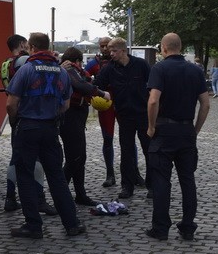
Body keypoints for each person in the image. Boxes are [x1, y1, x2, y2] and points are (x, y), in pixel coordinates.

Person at [5, 33, 85, 238]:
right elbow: (66, 104)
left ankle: (33, 225)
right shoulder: (61, 71)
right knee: (56, 176)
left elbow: (11, 103)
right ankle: (71, 223)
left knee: (25, 176)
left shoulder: (26, 70)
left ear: (31, 47)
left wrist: (16, 122)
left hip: (28, 128)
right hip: (50, 129)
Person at [144, 33, 211, 241]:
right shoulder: (195, 70)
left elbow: (153, 101)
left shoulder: (159, 68)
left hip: (164, 131)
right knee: (187, 180)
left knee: (161, 181)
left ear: (164, 48)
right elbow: (206, 104)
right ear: (180, 47)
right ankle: (188, 226)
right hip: (186, 132)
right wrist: (196, 129)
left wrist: (151, 126)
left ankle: (161, 228)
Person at [0, 34, 55, 215]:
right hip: (31, 115)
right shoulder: (25, 61)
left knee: (16, 157)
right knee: (37, 158)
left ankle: (10, 198)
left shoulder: (5, 63)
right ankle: (39, 199)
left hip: (15, 115)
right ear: (23, 44)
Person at [95, 37, 152, 200]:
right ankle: (127, 186)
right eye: (109, 51)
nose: (110, 53)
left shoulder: (140, 65)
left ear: (124, 51)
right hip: (124, 115)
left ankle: (152, 185)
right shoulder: (109, 68)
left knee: (149, 151)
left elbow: (153, 85)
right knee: (127, 153)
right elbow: (97, 85)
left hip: (143, 114)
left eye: (114, 51)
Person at [59, 47, 110, 207]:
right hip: (70, 118)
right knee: (74, 158)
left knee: (80, 158)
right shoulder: (68, 70)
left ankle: (80, 195)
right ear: (78, 61)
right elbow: (80, 85)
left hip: (77, 118)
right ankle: (59, 194)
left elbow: (85, 82)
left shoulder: (72, 70)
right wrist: (101, 93)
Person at [85, 37, 117, 187]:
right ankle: (110, 173)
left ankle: (134, 172)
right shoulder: (95, 63)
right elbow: (82, 76)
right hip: (105, 105)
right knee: (108, 139)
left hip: (122, 103)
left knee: (128, 139)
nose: (104, 49)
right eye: (102, 46)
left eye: (107, 46)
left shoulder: (120, 60)